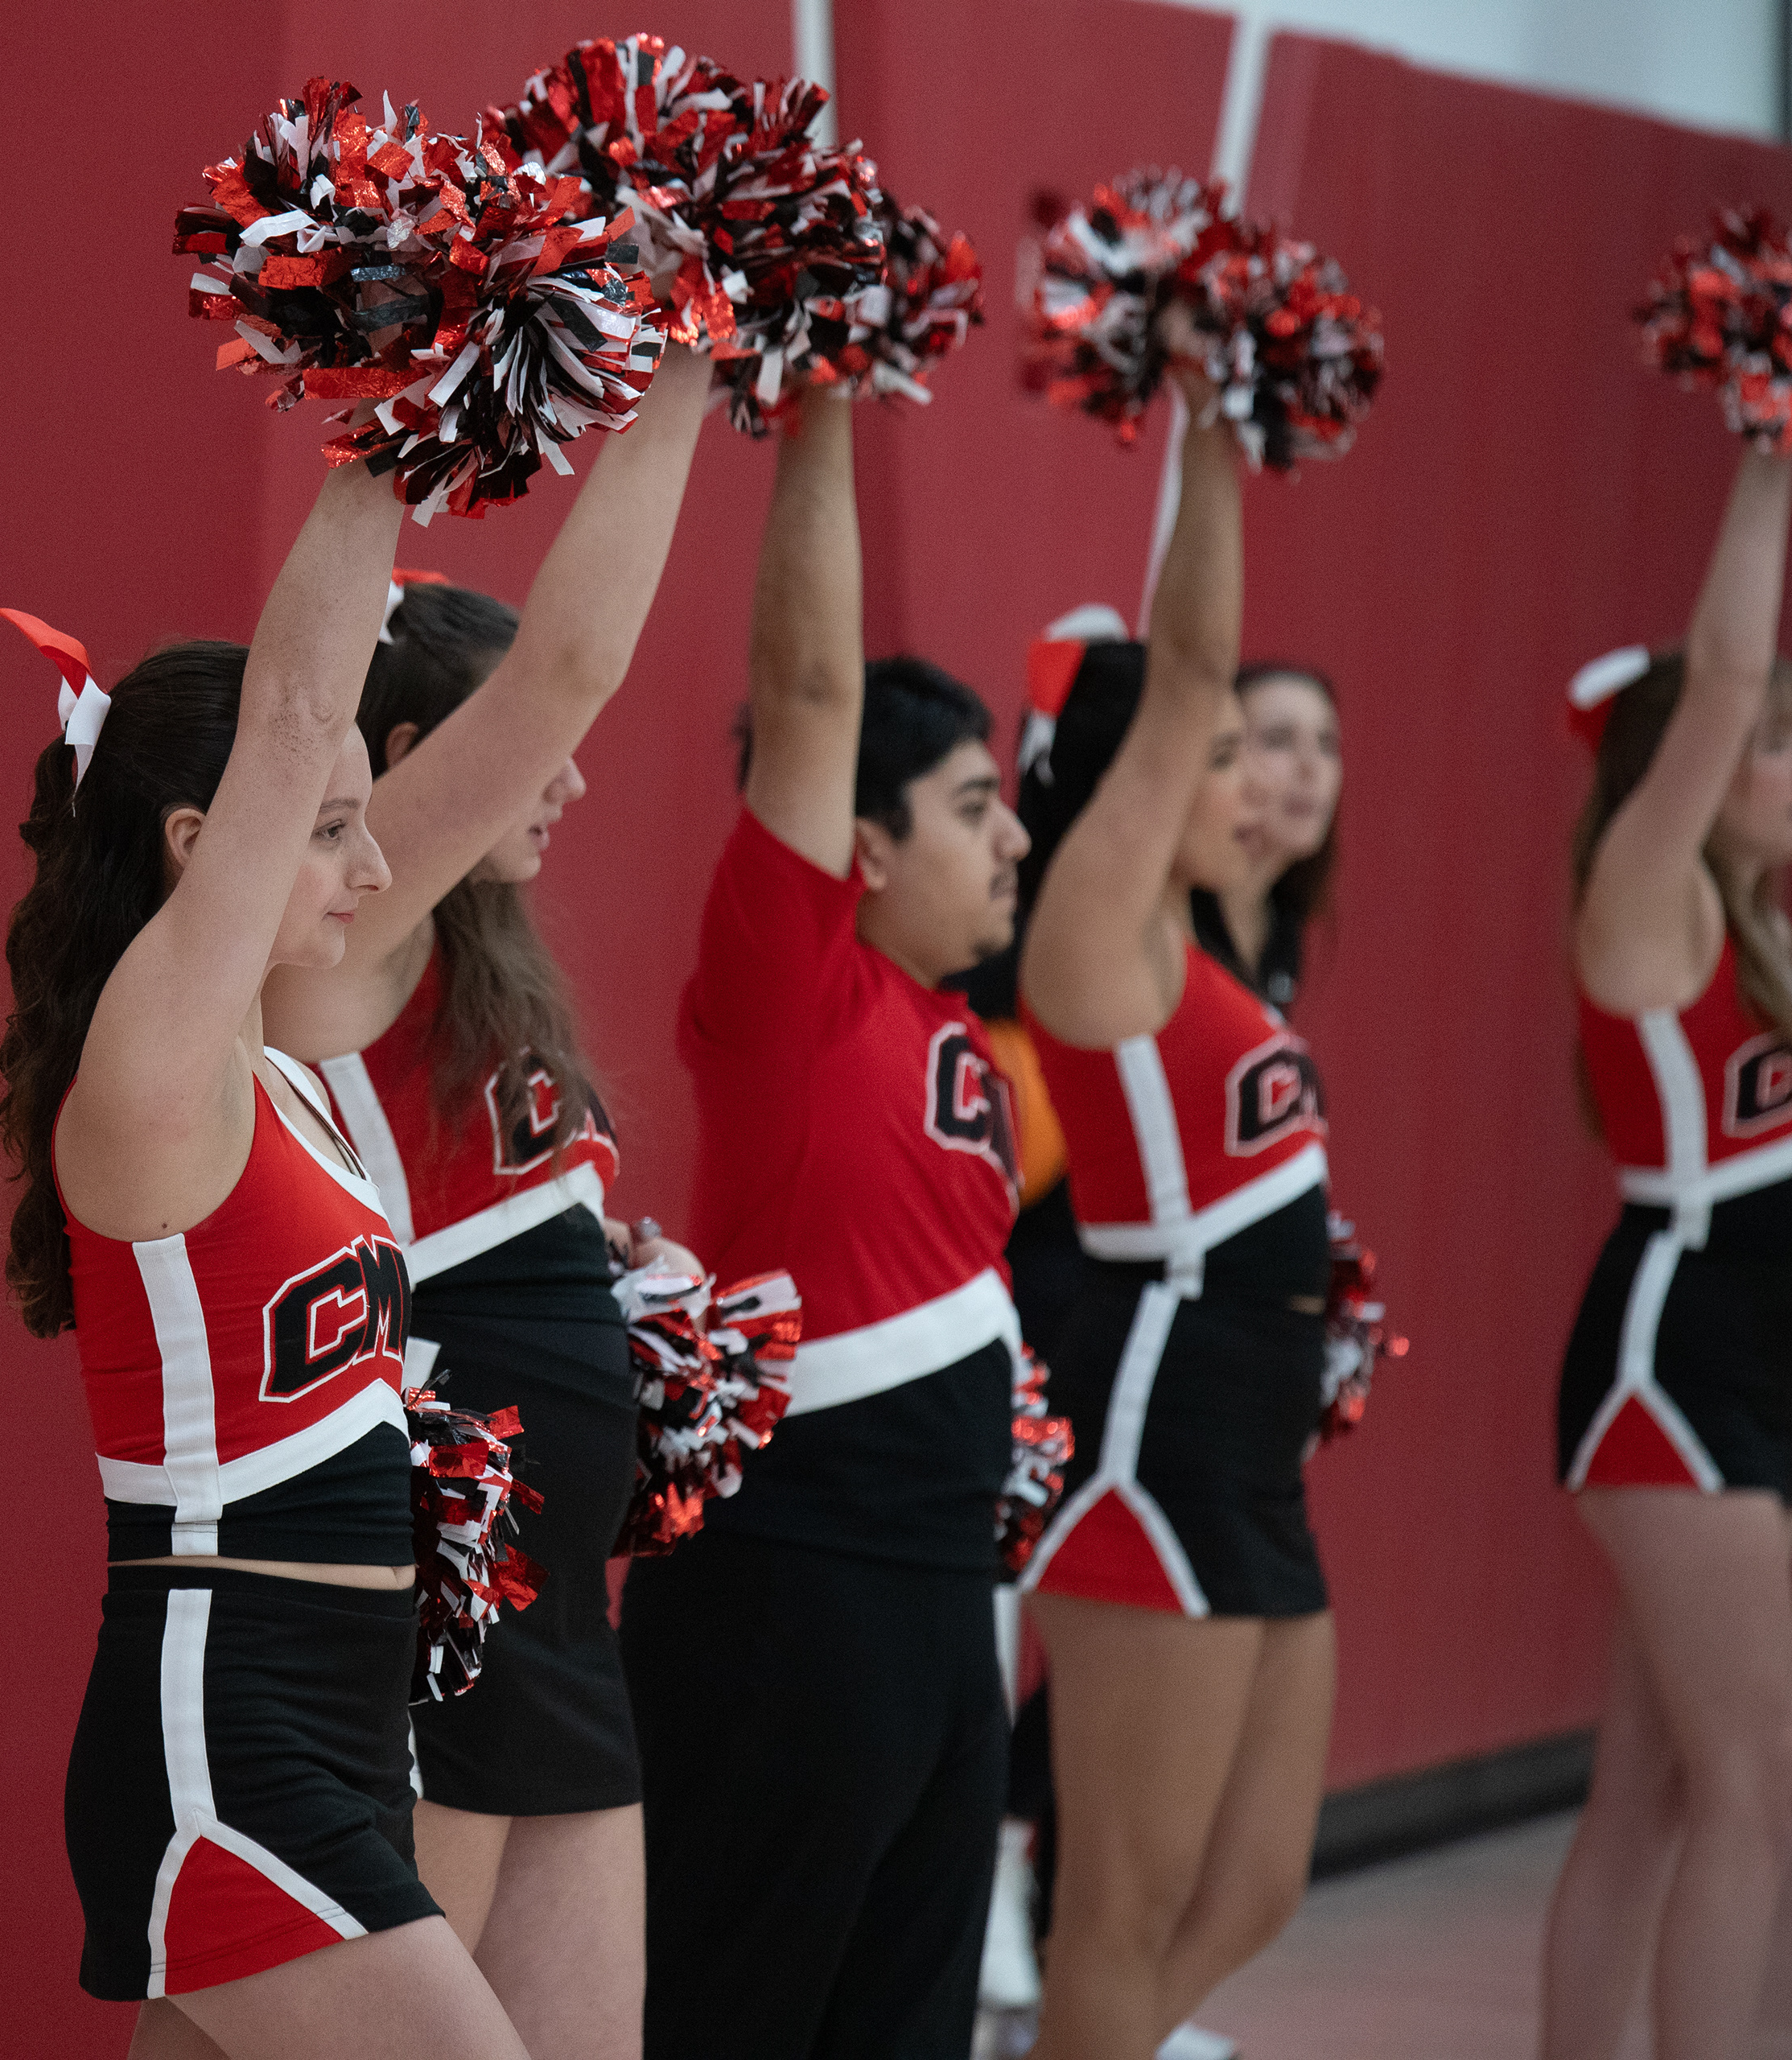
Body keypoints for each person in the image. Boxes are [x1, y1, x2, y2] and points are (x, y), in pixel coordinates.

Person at [0, 451, 541, 2060]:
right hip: (226, 1712)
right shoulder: (154, 1070)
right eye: (332, 830)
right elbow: (296, 712)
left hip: (340, 1717)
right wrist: (384, 435)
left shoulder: (285, 1076)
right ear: (201, 841)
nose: (375, 871)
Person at [255, 347, 714, 2060]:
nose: (567, 776)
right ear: (403, 765)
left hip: (563, 1601)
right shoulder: (349, 946)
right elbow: (573, 668)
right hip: (447, 1589)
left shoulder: (488, 962)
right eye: (527, 750)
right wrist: (689, 356)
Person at [617, 389, 1032, 2058]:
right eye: (976, 803)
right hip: (795, 1592)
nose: (1014, 836)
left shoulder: (962, 1034)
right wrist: (823, 398)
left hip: (942, 1606)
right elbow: (809, 692)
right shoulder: (792, 993)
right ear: (862, 841)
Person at [1012, 380, 1334, 2060]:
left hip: (1254, 1426)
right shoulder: (1101, 930)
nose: (1247, 783)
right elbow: (1194, 663)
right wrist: (1219, 409)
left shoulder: (1212, 948)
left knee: (1259, 1882)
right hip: (1161, 1398)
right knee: (1118, 1908)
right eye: (1214, 759)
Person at [1542, 444, 1792, 2060]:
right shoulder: (1650, 897)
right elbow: (1719, 674)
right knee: (1763, 1782)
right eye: (1780, 742)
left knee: (1654, 1788)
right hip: (1677, 1363)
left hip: (1748, 1382)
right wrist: (1773, 449)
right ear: (1695, 769)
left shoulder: (1756, 931)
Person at [1190, 662, 1343, 1011]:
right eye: (1278, 740)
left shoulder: (1283, 918)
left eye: (1327, 744)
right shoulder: (1169, 912)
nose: (1311, 767)